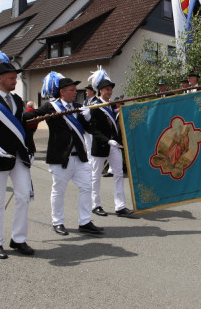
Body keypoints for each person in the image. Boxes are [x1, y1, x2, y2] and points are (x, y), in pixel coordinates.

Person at [25, 73, 103, 236]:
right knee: (59, 190)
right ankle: (58, 222)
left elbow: (89, 129)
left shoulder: (77, 107)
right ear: (62, 92)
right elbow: (31, 115)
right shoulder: (51, 107)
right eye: (71, 90)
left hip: (79, 157)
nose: (75, 92)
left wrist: (88, 118)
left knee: (86, 187)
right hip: (60, 157)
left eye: (75, 90)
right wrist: (17, 116)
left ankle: (85, 221)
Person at [0, 56, 34, 259]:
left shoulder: (17, 100)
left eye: (15, 78)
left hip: (18, 156)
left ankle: (18, 239)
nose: (15, 81)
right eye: (11, 78)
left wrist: (31, 150)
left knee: (23, 195)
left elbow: (24, 129)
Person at [88, 68, 134, 218]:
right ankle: (96, 205)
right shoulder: (94, 107)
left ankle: (120, 206)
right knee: (95, 176)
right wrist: (108, 141)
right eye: (107, 89)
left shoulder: (113, 105)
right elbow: (93, 130)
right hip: (101, 145)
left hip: (114, 145)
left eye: (110, 89)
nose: (110, 92)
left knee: (119, 174)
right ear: (100, 90)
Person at [83, 84, 98, 165]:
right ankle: (90, 162)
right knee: (88, 145)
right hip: (86, 127)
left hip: (92, 127)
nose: (86, 92)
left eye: (87, 90)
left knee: (93, 145)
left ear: (92, 91)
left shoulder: (96, 101)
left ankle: (95, 162)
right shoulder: (85, 101)